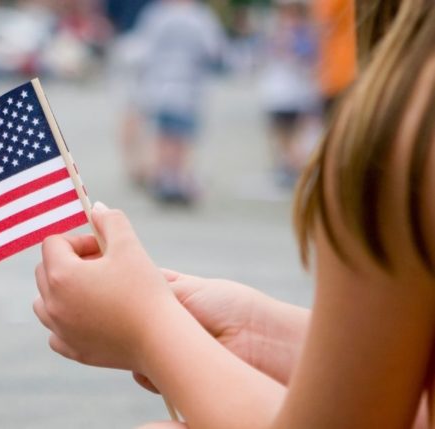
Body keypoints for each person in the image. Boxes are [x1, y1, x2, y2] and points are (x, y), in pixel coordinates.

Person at [33, 0, 435, 427]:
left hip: (168, 91)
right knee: (177, 141)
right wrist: (260, 331)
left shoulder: (406, 128)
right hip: (186, 91)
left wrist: (147, 326)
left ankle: (170, 177)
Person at [126, 0, 224, 204]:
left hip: (161, 86)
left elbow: (142, 50)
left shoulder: (156, 15)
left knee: (165, 135)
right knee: (181, 137)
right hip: (189, 87)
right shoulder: (200, 17)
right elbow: (213, 49)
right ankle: (177, 178)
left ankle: (165, 178)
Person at [259, 0, 319, 188]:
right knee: (279, 134)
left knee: (294, 134)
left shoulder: (304, 33)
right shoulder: (275, 32)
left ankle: (298, 168)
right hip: (277, 93)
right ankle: (287, 166)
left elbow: (308, 58)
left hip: (296, 93)